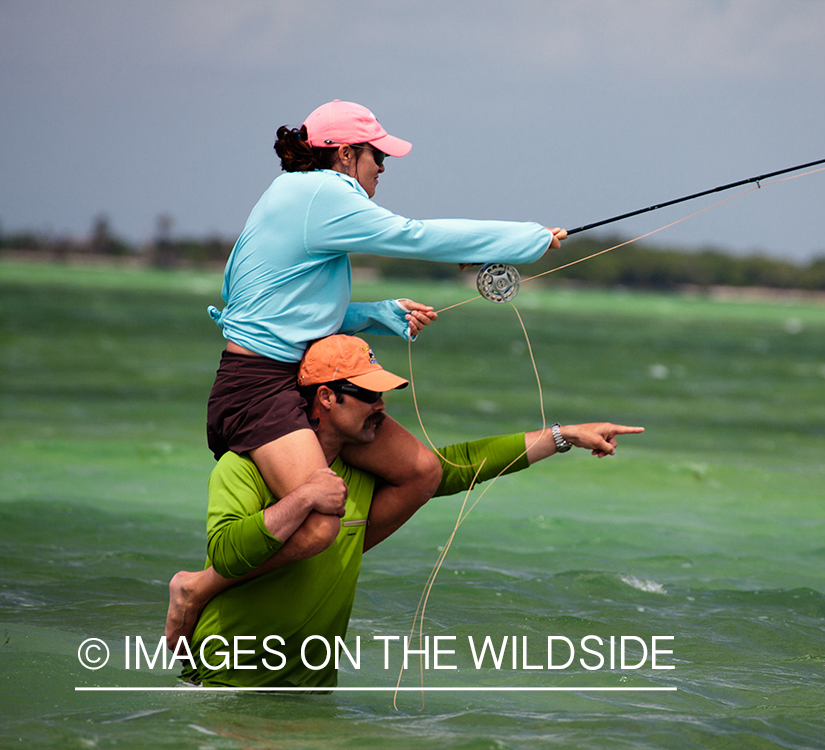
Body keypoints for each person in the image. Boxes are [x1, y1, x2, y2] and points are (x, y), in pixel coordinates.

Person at [190, 99, 566, 638]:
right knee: (321, 526)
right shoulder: (320, 193)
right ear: (344, 154)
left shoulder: (296, 197)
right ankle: (201, 586)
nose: (383, 168)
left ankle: (308, 575)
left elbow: (273, 307)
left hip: (305, 373)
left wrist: (376, 314)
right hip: (256, 389)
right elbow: (413, 236)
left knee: (421, 473)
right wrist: (526, 242)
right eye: (377, 156)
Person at [178, 335, 643, 688]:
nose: (381, 406)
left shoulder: (368, 474)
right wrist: (302, 499)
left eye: (382, 395)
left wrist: (567, 436)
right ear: (325, 397)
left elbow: (457, 467)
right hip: (227, 676)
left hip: (311, 682)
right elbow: (227, 552)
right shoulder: (244, 468)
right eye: (366, 395)